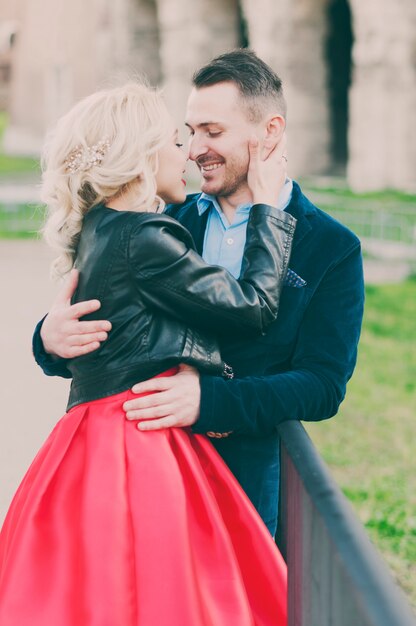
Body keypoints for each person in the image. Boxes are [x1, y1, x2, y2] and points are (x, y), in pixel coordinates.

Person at [33, 49, 365, 538]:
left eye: (213, 132)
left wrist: (212, 402)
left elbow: (322, 384)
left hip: (247, 479)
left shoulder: (332, 246)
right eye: (190, 132)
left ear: (270, 132)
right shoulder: (160, 222)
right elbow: (111, 329)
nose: (193, 149)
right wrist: (48, 338)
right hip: (145, 470)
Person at [0, 81, 293, 624]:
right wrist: (269, 210)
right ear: (140, 156)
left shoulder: (97, 228)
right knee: (161, 589)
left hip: (93, 430)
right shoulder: (147, 235)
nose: (187, 153)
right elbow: (252, 308)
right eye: (175, 140)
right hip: (136, 436)